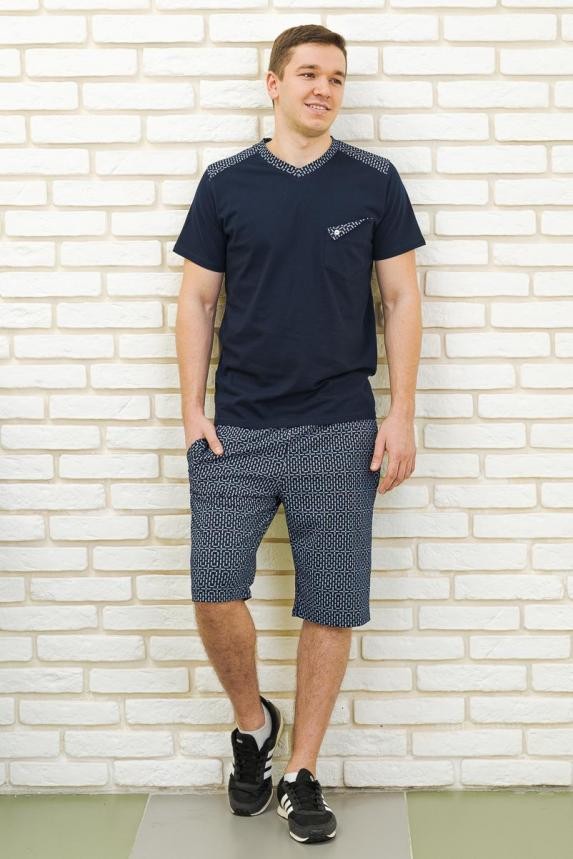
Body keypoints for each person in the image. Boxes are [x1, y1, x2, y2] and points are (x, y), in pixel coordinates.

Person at [173, 23, 425, 845]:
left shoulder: (373, 181)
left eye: (337, 78)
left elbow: (401, 299)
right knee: (214, 588)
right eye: (309, 73)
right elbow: (196, 300)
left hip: (340, 427)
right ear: (274, 83)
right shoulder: (225, 183)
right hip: (235, 429)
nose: (324, 89)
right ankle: (254, 725)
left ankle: (302, 771)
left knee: (331, 602)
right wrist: (191, 409)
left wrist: (400, 412)